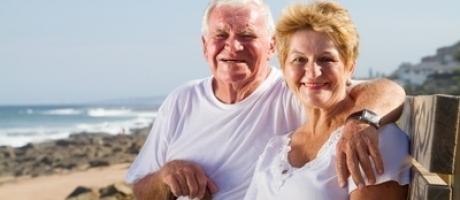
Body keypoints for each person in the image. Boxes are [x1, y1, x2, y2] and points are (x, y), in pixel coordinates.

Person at [125, 0, 406, 199]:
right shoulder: (181, 101)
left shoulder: (297, 89)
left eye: (247, 35)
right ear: (204, 45)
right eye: (220, 35)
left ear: (271, 46)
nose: (232, 46)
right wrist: (166, 176)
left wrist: (361, 121)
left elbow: (386, 91)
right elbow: (141, 190)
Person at [243, 2, 410, 200]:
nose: (313, 72)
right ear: (285, 70)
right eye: (299, 59)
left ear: (349, 66)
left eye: (326, 59)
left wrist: (362, 121)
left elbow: (391, 90)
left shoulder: (370, 138)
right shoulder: (275, 148)